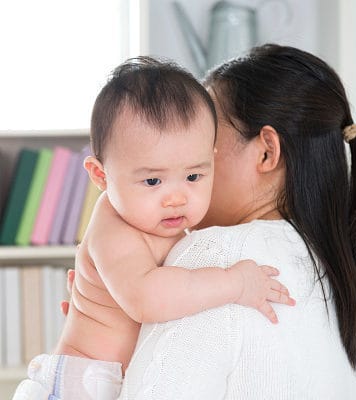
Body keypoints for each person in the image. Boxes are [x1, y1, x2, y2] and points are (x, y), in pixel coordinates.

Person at [12, 56, 294, 400]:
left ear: (212, 158)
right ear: (101, 176)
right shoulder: (113, 226)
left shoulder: (162, 223)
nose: (175, 197)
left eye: (194, 176)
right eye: (151, 180)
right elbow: (149, 297)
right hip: (81, 383)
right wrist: (234, 283)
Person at [113, 44, 356, 399]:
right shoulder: (336, 272)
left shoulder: (217, 257)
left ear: (267, 151)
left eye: (206, 138)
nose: (186, 159)